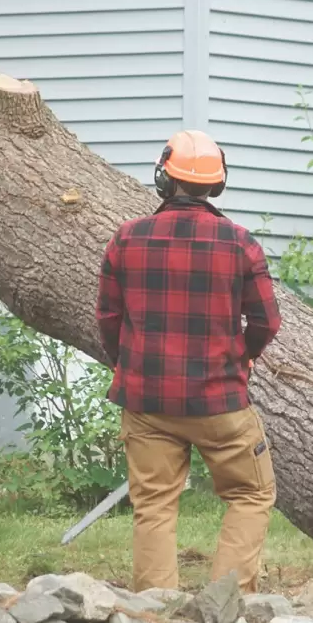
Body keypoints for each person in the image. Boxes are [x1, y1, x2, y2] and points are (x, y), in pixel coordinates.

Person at [96, 130, 283, 594]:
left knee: (154, 505)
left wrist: (130, 365)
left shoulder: (126, 238)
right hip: (219, 401)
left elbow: (107, 318)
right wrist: (243, 356)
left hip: (146, 402)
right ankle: (227, 603)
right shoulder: (241, 244)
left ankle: (155, 615)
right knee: (251, 493)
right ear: (216, 185)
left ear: (164, 177)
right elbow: (266, 322)